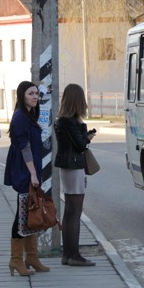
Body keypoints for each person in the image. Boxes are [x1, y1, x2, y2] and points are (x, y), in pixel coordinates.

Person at [4, 81, 49, 276]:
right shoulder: (20, 117)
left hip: (30, 171)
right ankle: (16, 260)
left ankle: (31, 257)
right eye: (31, 93)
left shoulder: (29, 115)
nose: (35, 97)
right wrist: (32, 173)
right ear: (22, 95)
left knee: (30, 213)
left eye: (37, 94)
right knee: (22, 215)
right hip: (24, 172)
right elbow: (25, 148)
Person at [54, 83, 97, 267]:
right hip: (74, 166)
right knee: (75, 212)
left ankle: (67, 255)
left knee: (69, 212)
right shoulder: (71, 121)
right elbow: (81, 145)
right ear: (78, 101)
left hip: (67, 167)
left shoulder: (62, 120)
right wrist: (86, 134)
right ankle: (74, 255)